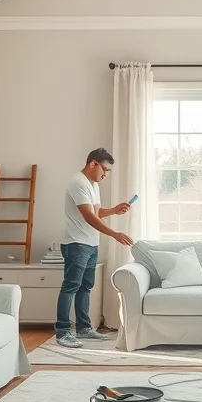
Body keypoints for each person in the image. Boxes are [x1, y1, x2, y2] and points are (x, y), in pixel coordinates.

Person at [56, 148, 134, 348]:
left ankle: (83, 328)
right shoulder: (77, 183)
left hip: (91, 243)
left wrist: (115, 211)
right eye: (105, 170)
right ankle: (62, 332)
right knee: (71, 287)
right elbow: (88, 216)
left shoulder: (93, 184)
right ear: (93, 163)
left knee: (85, 287)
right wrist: (114, 234)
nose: (105, 174)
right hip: (76, 243)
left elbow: (97, 212)